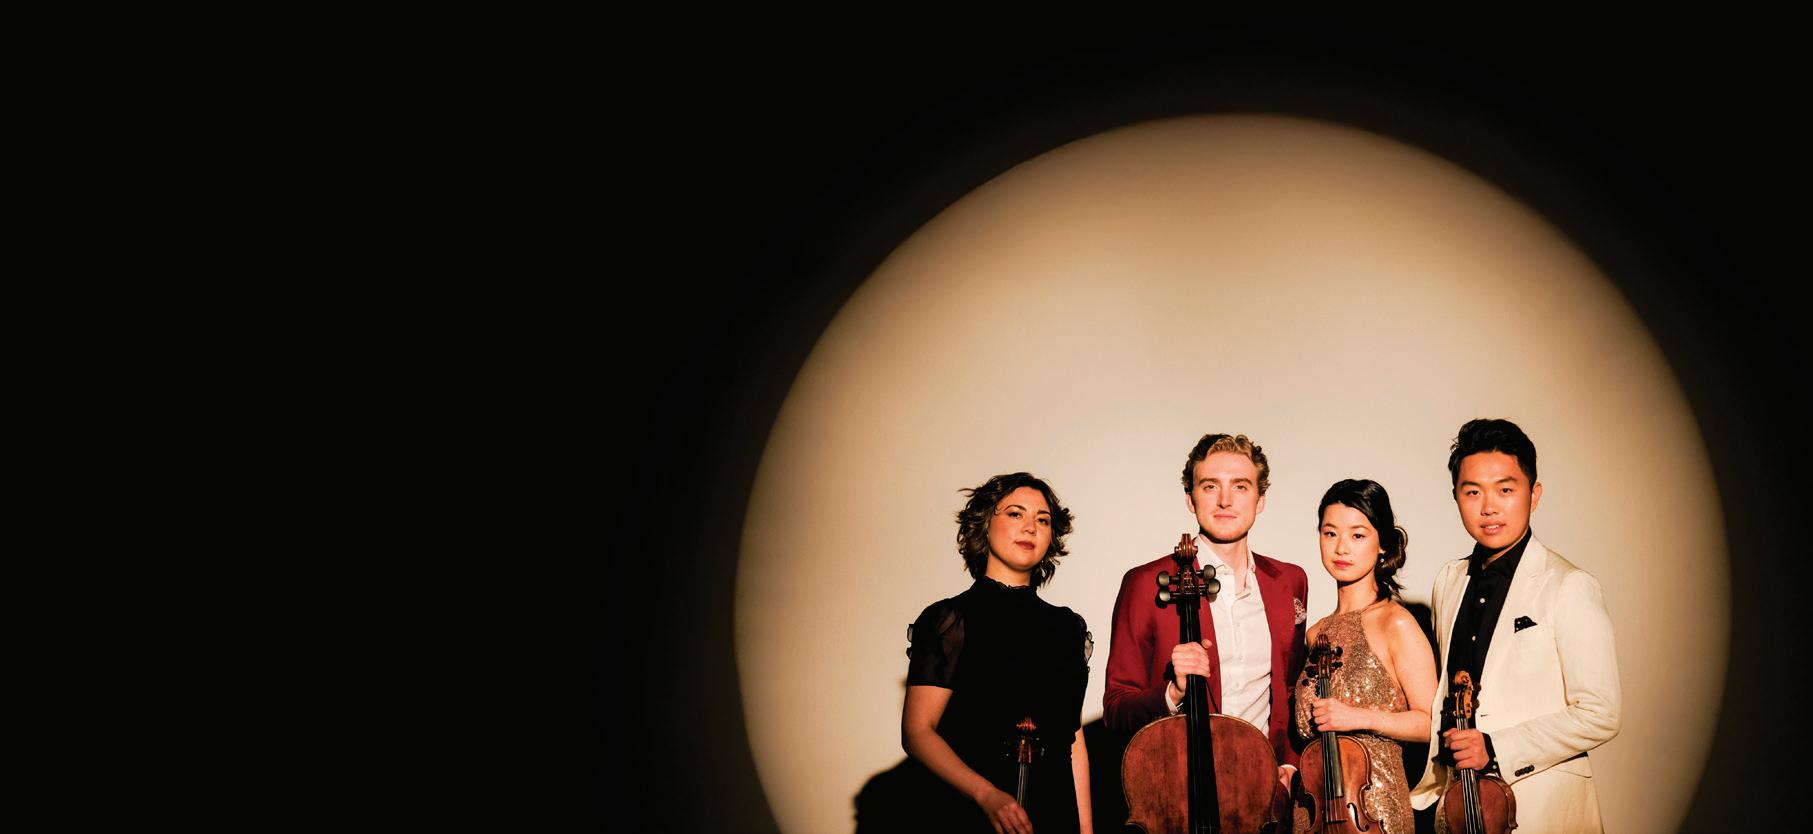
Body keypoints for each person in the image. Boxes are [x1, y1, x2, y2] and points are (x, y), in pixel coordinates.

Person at [1409, 419, 1622, 832]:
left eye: (1505, 490)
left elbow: (1601, 712)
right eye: (1473, 492)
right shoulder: (1449, 581)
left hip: (1541, 809)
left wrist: (1496, 748)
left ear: (1534, 495)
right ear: (1456, 497)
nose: (1489, 507)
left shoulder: (1569, 585)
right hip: (1458, 807)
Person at [1104, 433, 1308, 795]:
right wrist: (1173, 691)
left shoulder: (1289, 581)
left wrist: (1290, 763)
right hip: (1181, 790)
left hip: (1264, 795)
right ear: (1190, 498)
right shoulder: (1145, 583)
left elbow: (1292, 690)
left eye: (1240, 486)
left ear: (1260, 500)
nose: (1225, 500)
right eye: (1210, 486)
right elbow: (1117, 710)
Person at [903, 472, 1094, 834]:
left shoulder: (1068, 627)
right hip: (971, 813)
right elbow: (917, 732)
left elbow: (1073, 741)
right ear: (984, 524)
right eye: (1015, 514)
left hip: (1055, 815)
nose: (1030, 527)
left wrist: (1085, 831)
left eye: (1043, 520)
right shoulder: (950, 619)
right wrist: (987, 795)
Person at [1292, 479, 1436, 834]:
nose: (1341, 547)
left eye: (1357, 535)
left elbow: (1430, 723)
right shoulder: (1315, 633)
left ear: (1382, 543)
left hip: (1376, 813)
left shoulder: (1395, 622)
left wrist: (1358, 717)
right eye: (1330, 533)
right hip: (1315, 814)